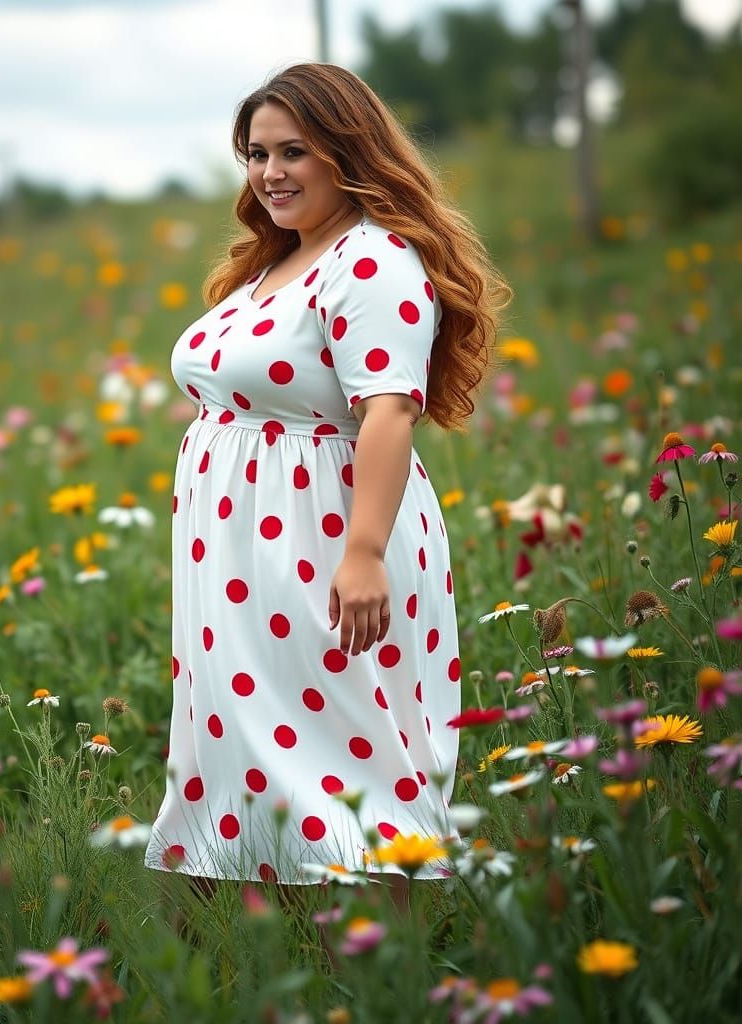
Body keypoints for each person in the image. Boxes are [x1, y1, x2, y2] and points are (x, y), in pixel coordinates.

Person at [142, 62, 511, 921]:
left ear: (346, 152)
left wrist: (364, 554)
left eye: (293, 151)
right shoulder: (275, 262)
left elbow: (388, 410)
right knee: (243, 740)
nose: (269, 172)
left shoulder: (374, 258)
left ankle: (394, 953)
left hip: (327, 541)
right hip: (239, 553)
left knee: (349, 748)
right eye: (255, 153)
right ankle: (257, 940)